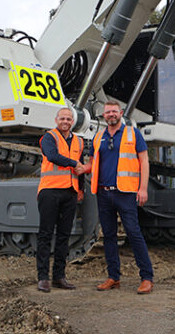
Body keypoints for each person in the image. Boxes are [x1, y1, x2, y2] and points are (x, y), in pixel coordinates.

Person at [82, 101, 154, 294]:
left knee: (133, 232)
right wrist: (79, 168)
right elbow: (92, 163)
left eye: (114, 111)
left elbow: (144, 161)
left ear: (120, 113)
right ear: (103, 116)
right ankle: (113, 277)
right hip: (104, 193)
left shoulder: (132, 133)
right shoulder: (98, 137)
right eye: (108, 112)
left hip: (126, 192)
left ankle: (147, 277)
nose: (111, 114)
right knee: (109, 236)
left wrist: (143, 188)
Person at [35, 107, 87, 293]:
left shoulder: (79, 141)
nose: (65, 121)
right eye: (62, 118)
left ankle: (59, 276)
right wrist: (74, 163)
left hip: (70, 192)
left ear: (72, 122)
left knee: (64, 235)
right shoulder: (49, 137)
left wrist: (80, 188)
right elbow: (52, 156)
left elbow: (81, 168)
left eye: (68, 119)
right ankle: (42, 277)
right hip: (50, 191)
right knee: (46, 234)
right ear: (56, 120)